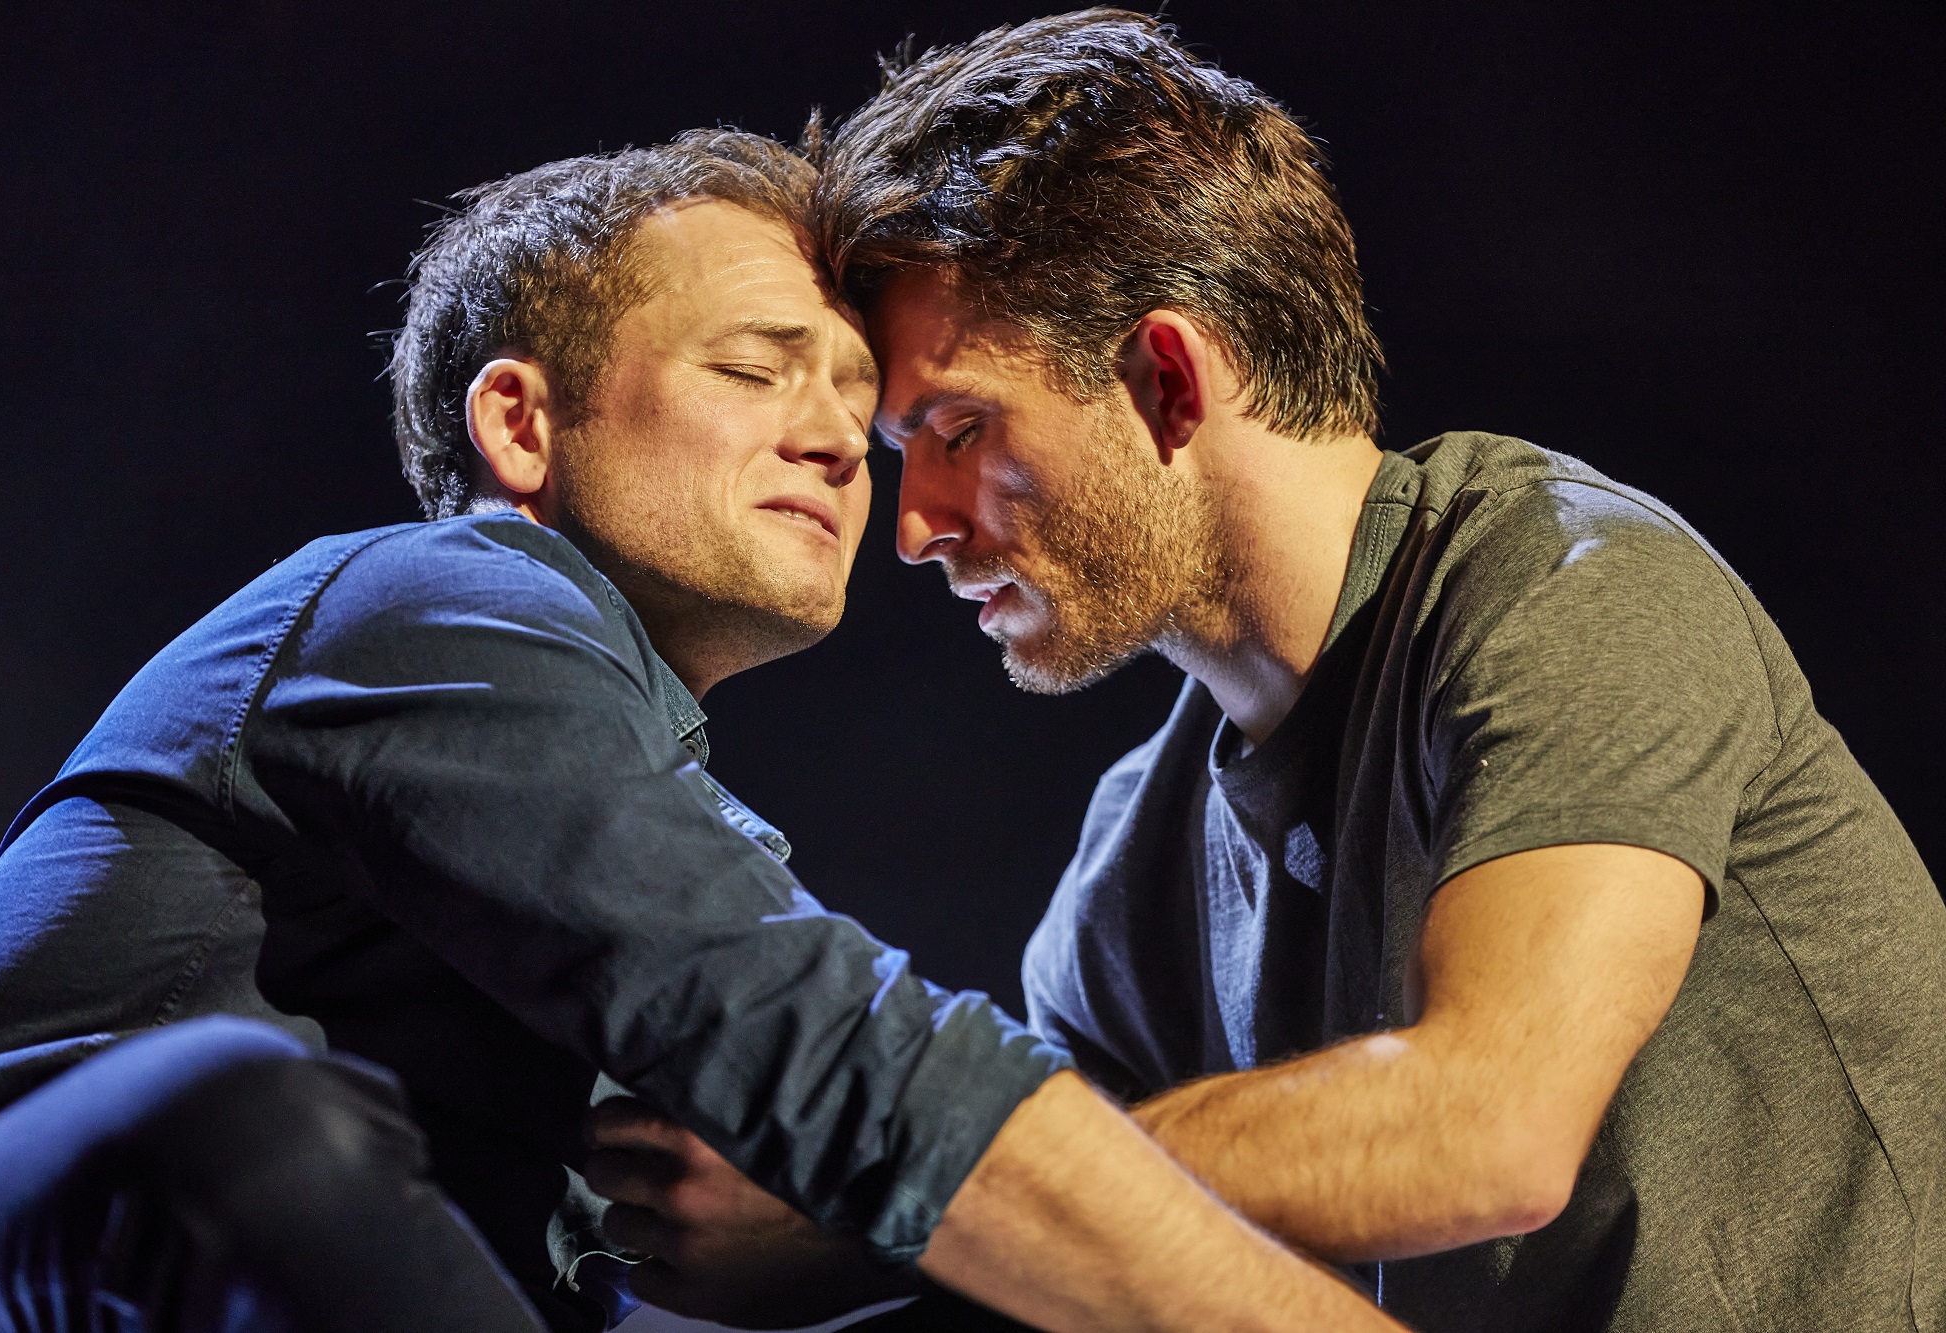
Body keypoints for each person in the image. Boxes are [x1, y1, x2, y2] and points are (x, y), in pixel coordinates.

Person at [601, 11, 1946, 1331]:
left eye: (958, 428)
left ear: (1169, 381)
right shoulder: (1127, 882)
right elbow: (1085, 1236)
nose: (915, 527)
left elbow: (1487, 1124)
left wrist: (881, 1191)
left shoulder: (1573, 588)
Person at [0, 130, 1403, 1333]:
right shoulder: (434, 599)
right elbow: (838, 1056)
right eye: (756, 369)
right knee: (240, 1124)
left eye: (861, 407)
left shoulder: (643, 787)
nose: (837, 440)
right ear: (522, 424)